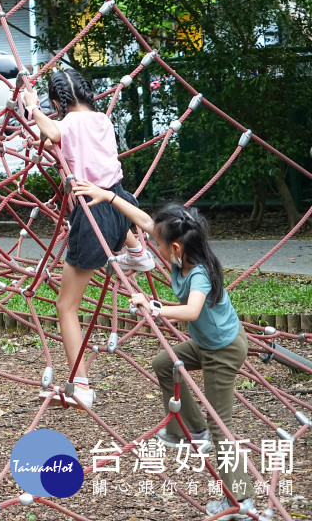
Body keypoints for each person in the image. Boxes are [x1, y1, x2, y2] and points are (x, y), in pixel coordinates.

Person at [71, 188, 254, 519]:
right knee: (165, 363)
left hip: (223, 351)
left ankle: (241, 500)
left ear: (177, 248)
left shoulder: (198, 272)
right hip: (207, 342)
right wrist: (108, 197)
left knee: (221, 424)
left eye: (158, 245)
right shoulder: (180, 254)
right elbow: (143, 220)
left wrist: (155, 308)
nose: (153, 248)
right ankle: (191, 432)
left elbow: (193, 311)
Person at [23, 69, 148, 410]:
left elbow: (53, 130)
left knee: (66, 306)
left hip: (91, 213)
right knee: (113, 237)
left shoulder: (65, 123)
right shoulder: (101, 120)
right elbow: (63, 141)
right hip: (120, 202)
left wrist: (32, 108)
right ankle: (136, 252)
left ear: (56, 103)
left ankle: (80, 387)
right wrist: (44, 141)